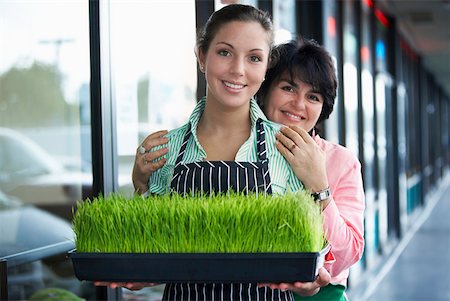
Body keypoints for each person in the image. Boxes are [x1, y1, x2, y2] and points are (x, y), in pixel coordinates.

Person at [134, 38, 365, 300]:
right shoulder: (230, 148)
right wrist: (142, 184)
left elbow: (346, 256)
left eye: (313, 96)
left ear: (324, 107)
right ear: (264, 90)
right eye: (288, 88)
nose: (299, 105)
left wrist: (319, 186)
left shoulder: (340, 161)